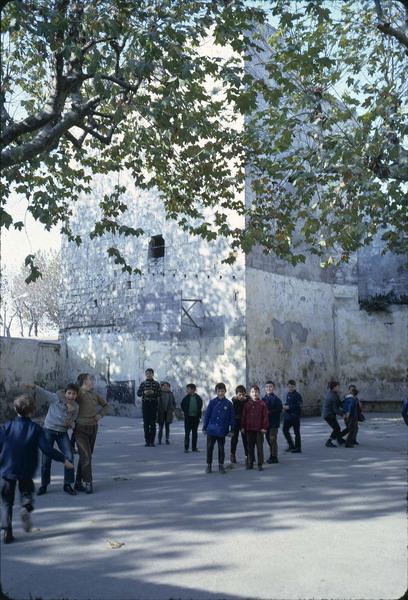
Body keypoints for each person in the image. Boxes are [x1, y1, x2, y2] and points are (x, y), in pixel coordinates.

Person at [0, 395, 74, 544]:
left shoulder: (6, 427)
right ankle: (26, 508)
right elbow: (47, 449)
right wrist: (63, 459)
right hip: (26, 469)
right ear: (32, 412)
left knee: (6, 502)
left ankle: (6, 531)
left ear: (15, 409)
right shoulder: (36, 429)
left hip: (7, 469)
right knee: (27, 493)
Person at [24, 383, 79, 496]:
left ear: (76, 395)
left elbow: (70, 424)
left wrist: (69, 414)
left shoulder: (76, 407)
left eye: (74, 394)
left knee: (69, 456)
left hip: (62, 432)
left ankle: (67, 484)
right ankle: (44, 485)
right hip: (49, 430)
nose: (71, 396)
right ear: (65, 393)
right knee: (46, 458)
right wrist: (32, 386)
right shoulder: (56, 398)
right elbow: (43, 392)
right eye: (69, 393)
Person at [74, 373, 111, 494]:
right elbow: (62, 395)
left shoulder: (95, 395)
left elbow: (106, 406)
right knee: (86, 456)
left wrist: (100, 415)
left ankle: (78, 482)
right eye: (90, 379)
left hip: (93, 428)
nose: (93, 381)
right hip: (80, 429)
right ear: (84, 381)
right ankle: (88, 482)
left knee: (86, 456)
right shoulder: (77, 393)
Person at [203, 383, 234, 474]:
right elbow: (207, 415)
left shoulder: (228, 404)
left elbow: (232, 418)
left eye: (222, 391)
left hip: (222, 430)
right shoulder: (212, 402)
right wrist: (205, 427)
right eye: (219, 391)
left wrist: (231, 430)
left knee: (221, 448)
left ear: (225, 391)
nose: (221, 393)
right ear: (216, 391)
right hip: (211, 430)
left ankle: (221, 465)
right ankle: (209, 465)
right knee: (209, 448)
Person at [241, 385, 269, 471]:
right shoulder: (247, 404)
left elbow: (265, 417)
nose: (255, 393)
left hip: (259, 430)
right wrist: (242, 427)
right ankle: (250, 463)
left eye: (256, 392)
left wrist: (264, 427)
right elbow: (243, 416)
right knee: (250, 447)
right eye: (253, 392)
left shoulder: (262, 404)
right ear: (250, 393)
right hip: (249, 429)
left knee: (259, 447)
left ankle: (260, 463)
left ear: (259, 393)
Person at [137, 368, 161, 447]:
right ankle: (147, 441)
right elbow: (138, 393)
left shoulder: (157, 384)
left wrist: (153, 392)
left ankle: (152, 441)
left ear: (153, 374)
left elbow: (160, 394)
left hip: (153, 404)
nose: (148, 375)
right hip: (145, 404)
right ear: (145, 374)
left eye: (150, 373)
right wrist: (144, 392)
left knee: (153, 424)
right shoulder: (143, 383)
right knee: (146, 424)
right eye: (147, 373)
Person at [262, 381, 283, 464]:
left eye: (270, 387)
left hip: (273, 423)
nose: (268, 388)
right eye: (267, 387)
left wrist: (269, 412)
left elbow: (279, 409)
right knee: (268, 439)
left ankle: (274, 457)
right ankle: (272, 454)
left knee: (272, 439)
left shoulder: (276, 399)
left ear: (273, 388)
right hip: (266, 424)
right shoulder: (263, 399)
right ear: (265, 388)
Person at [322, 381, 345, 448]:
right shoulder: (333, 396)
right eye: (338, 386)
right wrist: (343, 414)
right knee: (336, 428)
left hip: (328, 414)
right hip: (329, 415)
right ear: (334, 387)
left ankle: (339, 439)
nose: (339, 387)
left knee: (337, 428)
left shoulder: (332, 394)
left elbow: (338, 403)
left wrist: (345, 400)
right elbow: (335, 409)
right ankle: (329, 441)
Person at [230, 385, 249, 464]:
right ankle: (232, 455)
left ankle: (247, 456)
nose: (241, 396)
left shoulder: (247, 400)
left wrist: (247, 398)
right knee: (234, 440)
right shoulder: (234, 401)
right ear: (236, 395)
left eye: (243, 395)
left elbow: (250, 399)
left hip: (244, 423)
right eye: (239, 395)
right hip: (235, 423)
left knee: (245, 440)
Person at [181, 383, 203, 453]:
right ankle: (186, 447)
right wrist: (186, 412)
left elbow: (200, 405)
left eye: (188, 389)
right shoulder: (186, 398)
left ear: (193, 389)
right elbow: (182, 405)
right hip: (188, 418)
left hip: (195, 418)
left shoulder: (198, 398)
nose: (187, 390)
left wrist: (198, 414)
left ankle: (194, 447)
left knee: (195, 433)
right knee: (187, 433)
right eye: (187, 389)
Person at [282, 380, 303, 453]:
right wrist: (285, 406)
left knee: (296, 432)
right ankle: (291, 445)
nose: (290, 388)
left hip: (295, 417)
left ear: (295, 386)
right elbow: (288, 403)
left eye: (292, 387)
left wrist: (289, 407)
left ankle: (298, 448)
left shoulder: (297, 395)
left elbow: (299, 406)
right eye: (289, 387)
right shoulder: (288, 394)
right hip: (288, 417)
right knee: (285, 430)